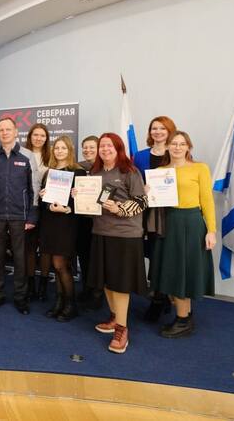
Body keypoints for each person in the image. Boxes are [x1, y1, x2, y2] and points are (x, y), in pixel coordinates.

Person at [150, 131, 216, 338]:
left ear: (188, 147)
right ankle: (184, 315)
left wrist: (211, 230)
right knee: (171, 271)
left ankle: (183, 320)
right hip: (168, 223)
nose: (177, 147)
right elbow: (155, 203)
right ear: (167, 147)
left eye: (182, 144)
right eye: (173, 144)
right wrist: (148, 192)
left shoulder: (200, 168)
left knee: (183, 273)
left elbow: (207, 200)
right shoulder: (160, 171)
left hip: (191, 223)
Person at [87, 133, 148, 354]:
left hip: (125, 235)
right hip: (101, 232)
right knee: (106, 280)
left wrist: (119, 208)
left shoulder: (129, 171)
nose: (105, 149)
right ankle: (114, 318)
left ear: (118, 148)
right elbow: (90, 204)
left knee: (120, 283)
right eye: (102, 146)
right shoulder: (94, 173)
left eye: (109, 146)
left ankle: (122, 329)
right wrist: (79, 195)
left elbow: (141, 201)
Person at [0, 117, 40, 315]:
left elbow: (34, 187)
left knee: (20, 258)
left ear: (16, 132)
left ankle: (20, 297)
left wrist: (32, 216)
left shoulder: (27, 156)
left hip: (20, 216)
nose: (4, 133)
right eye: (1, 130)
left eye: (8, 129)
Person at [133, 116, 177, 322]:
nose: (157, 132)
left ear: (169, 131)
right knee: (153, 253)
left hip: (171, 212)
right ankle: (159, 296)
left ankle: (161, 297)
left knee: (167, 255)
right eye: (154, 128)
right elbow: (133, 182)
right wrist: (141, 189)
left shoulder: (177, 152)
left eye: (162, 128)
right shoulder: (140, 156)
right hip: (148, 213)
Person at [38, 136, 86, 322]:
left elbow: (83, 202)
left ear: (70, 150)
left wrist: (68, 207)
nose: (59, 151)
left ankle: (71, 305)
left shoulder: (78, 172)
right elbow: (44, 201)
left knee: (61, 264)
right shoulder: (49, 172)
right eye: (56, 148)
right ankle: (60, 301)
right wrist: (44, 198)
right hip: (50, 222)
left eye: (63, 148)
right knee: (55, 265)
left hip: (67, 222)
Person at [24, 123, 50, 301]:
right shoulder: (22, 155)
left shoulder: (52, 157)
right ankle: (31, 284)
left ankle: (43, 285)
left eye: (42, 135)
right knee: (30, 247)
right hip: (28, 206)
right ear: (30, 137)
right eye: (35, 135)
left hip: (48, 207)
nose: (38, 138)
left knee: (46, 247)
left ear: (46, 138)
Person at [76, 135, 102, 308]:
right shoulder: (77, 167)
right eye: (85, 147)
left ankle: (98, 292)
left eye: (92, 147)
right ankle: (86, 288)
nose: (88, 150)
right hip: (81, 219)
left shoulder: (106, 167)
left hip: (100, 220)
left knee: (97, 257)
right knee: (84, 255)